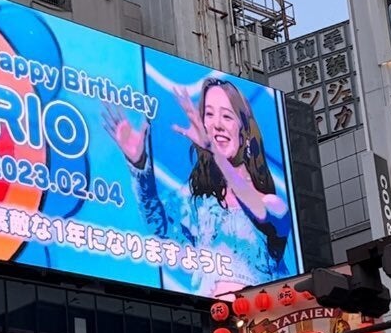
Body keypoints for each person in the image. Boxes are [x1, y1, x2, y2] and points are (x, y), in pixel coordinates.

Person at [102, 75, 292, 295]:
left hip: (260, 313)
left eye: (227, 116)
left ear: (245, 132)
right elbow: (162, 231)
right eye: (209, 114)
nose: (217, 124)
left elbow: (258, 208)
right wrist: (139, 165)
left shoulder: (272, 203)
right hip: (207, 312)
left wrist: (214, 152)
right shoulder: (197, 204)